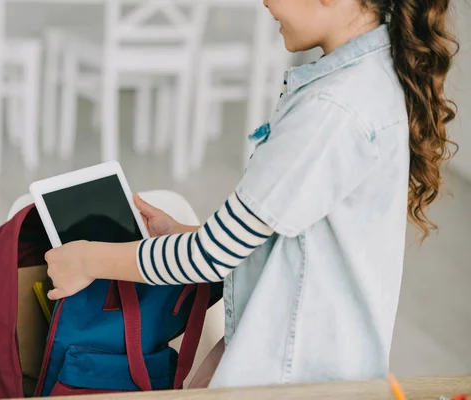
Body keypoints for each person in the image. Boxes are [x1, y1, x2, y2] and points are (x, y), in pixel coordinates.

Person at [44, 0, 459, 389]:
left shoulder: (333, 108)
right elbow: (294, 242)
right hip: (307, 359)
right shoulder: (366, 80)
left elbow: (210, 254)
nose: (264, 1)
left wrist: (87, 260)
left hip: (294, 377)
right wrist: (182, 232)